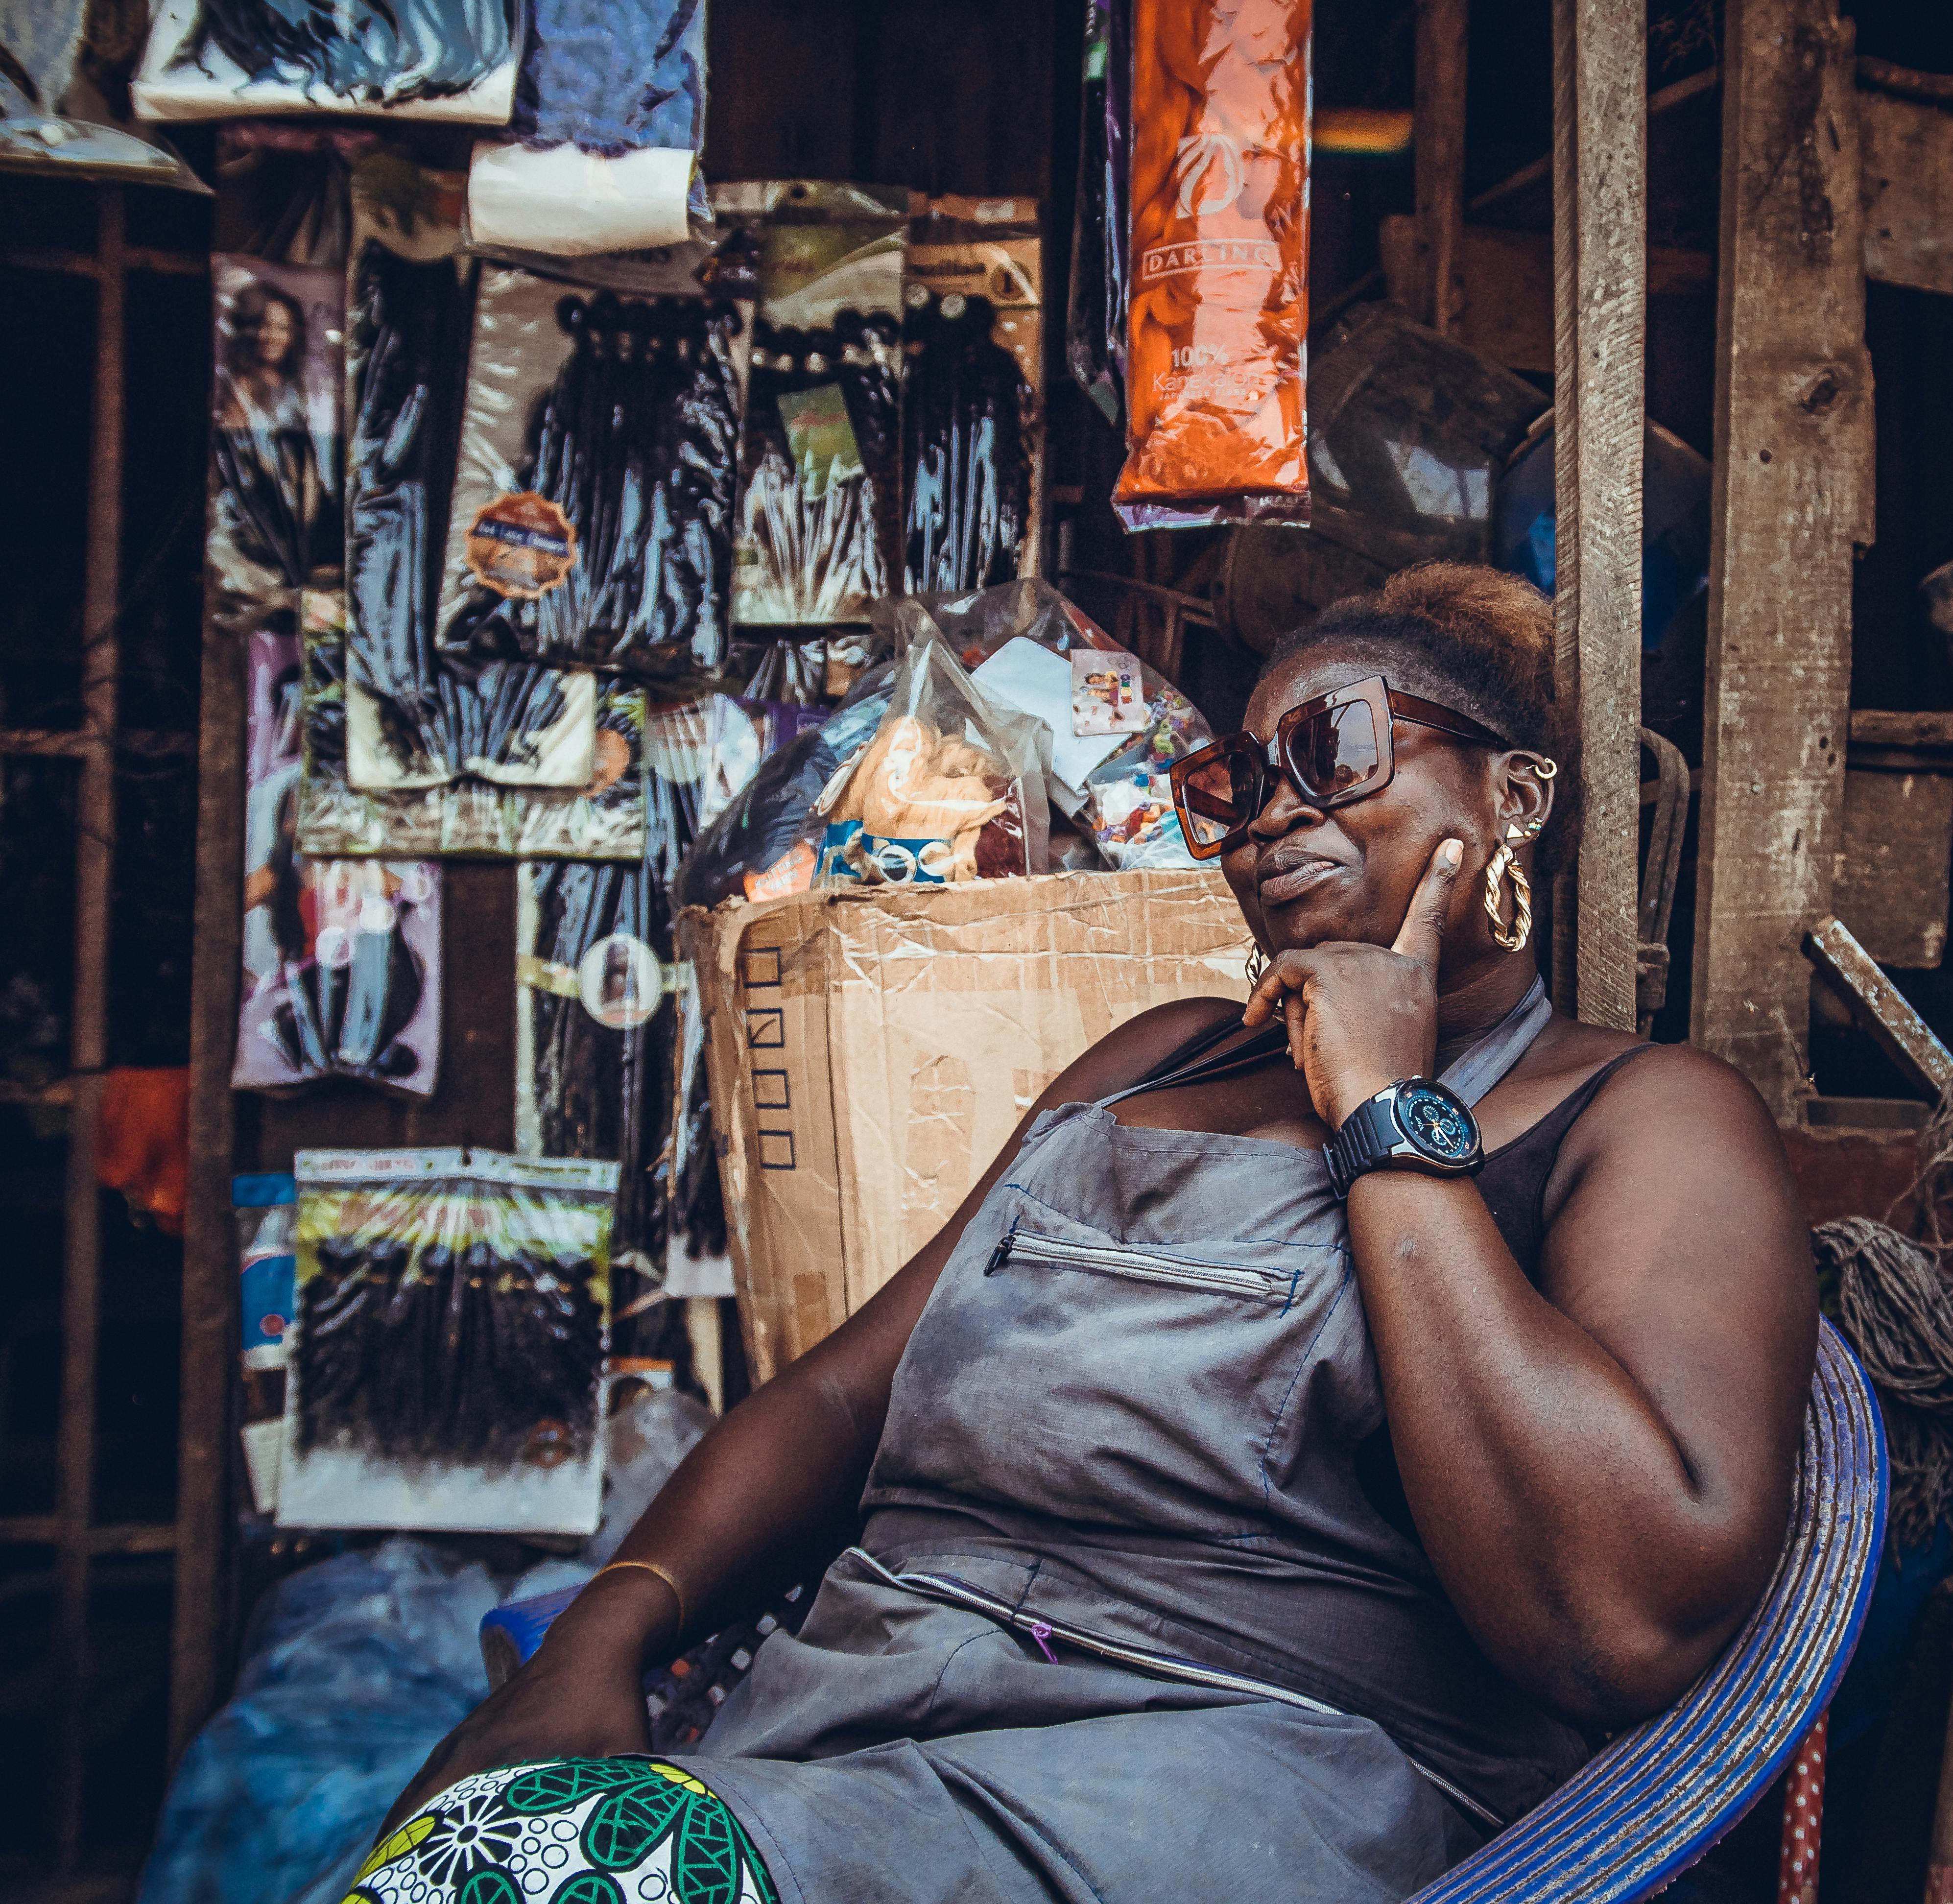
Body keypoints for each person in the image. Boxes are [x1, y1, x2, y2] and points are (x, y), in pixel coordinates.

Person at [361, 564, 1816, 1904]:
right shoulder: (1158, 1059)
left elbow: (1624, 1623)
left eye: (1336, 751)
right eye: (1233, 779)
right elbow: (844, 1394)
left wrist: (1384, 1104)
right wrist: (609, 1628)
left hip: (1218, 1780)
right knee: (470, 1852)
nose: (1267, 812)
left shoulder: (1640, 1112)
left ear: (1512, 796)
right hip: (859, 1704)